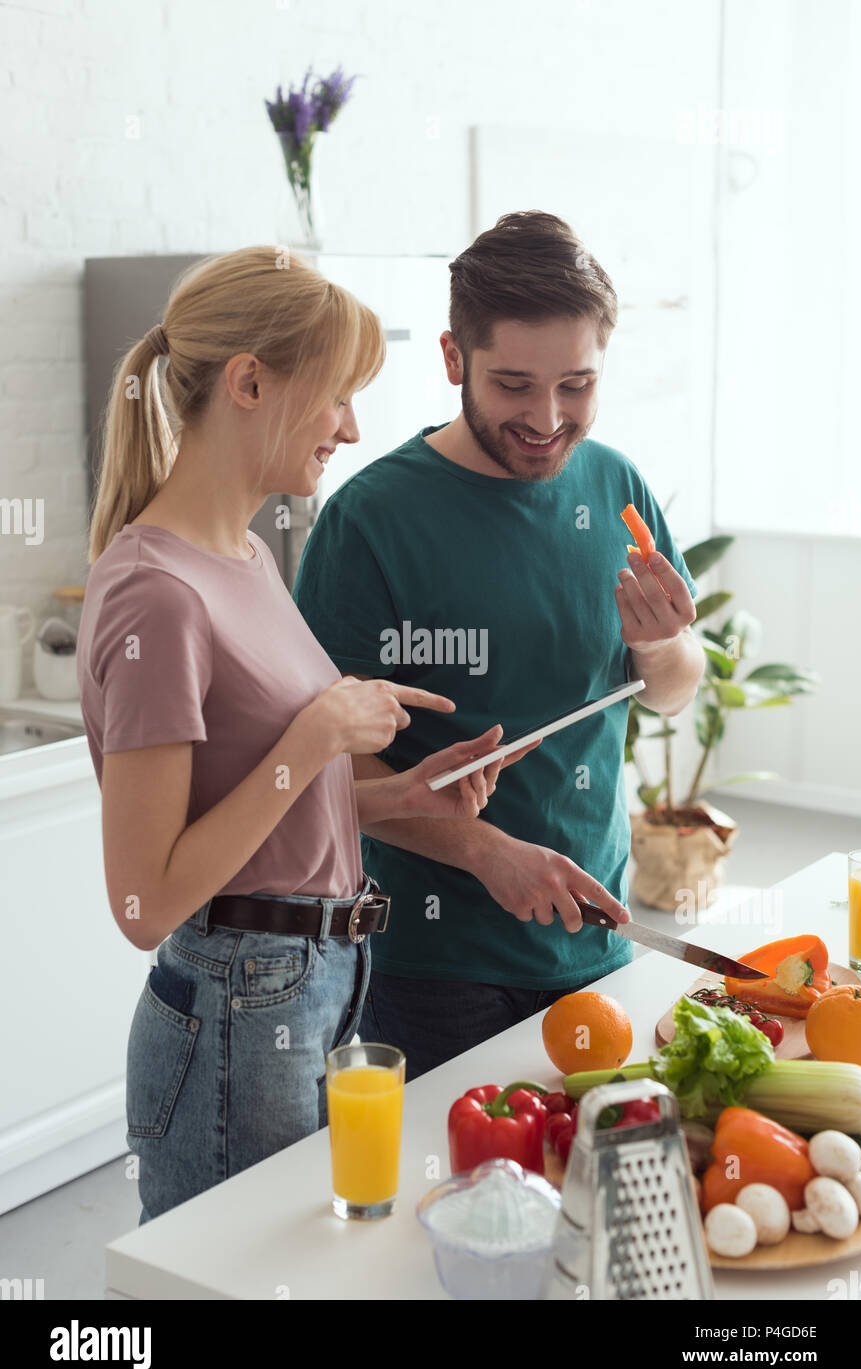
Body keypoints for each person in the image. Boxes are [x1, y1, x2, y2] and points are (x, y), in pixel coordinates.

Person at [76, 245, 541, 1223]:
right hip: (239, 1010)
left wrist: (396, 796)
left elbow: (253, 817)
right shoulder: (159, 594)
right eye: (336, 395)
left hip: (311, 987)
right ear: (249, 382)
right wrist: (322, 732)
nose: (351, 426)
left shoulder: (243, 554)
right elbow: (143, 899)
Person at [293, 211, 704, 1082]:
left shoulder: (615, 485)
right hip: (431, 965)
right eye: (514, 385)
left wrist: (662, 645)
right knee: (452, 1202)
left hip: (595, 937)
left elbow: (670, 691)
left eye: (576, 385)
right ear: (453, 360)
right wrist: (482, 852)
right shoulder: (370, 521)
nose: (548, 419)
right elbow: (321, 772)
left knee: (579, 1187)